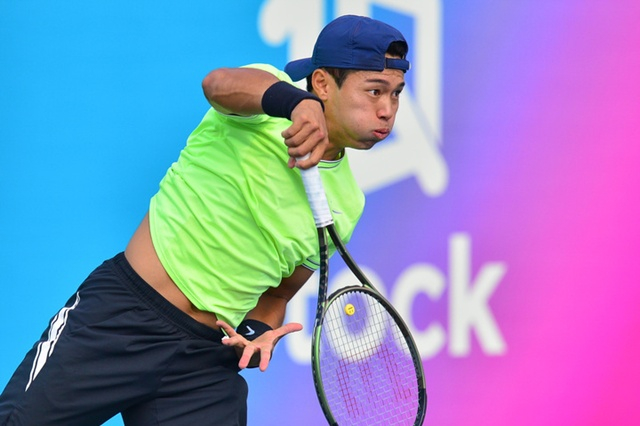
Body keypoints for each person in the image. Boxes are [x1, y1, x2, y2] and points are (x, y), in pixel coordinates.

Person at [0, 14, 410, 426]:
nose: (387, 110)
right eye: (374, 91)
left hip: (204, 362)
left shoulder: (347, 204)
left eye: (395, 94)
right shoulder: (265, 99)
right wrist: (295, 104)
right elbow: (217, 84)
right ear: (321, 83)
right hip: (121, 319)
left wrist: (254, 334)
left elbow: (278, 295)